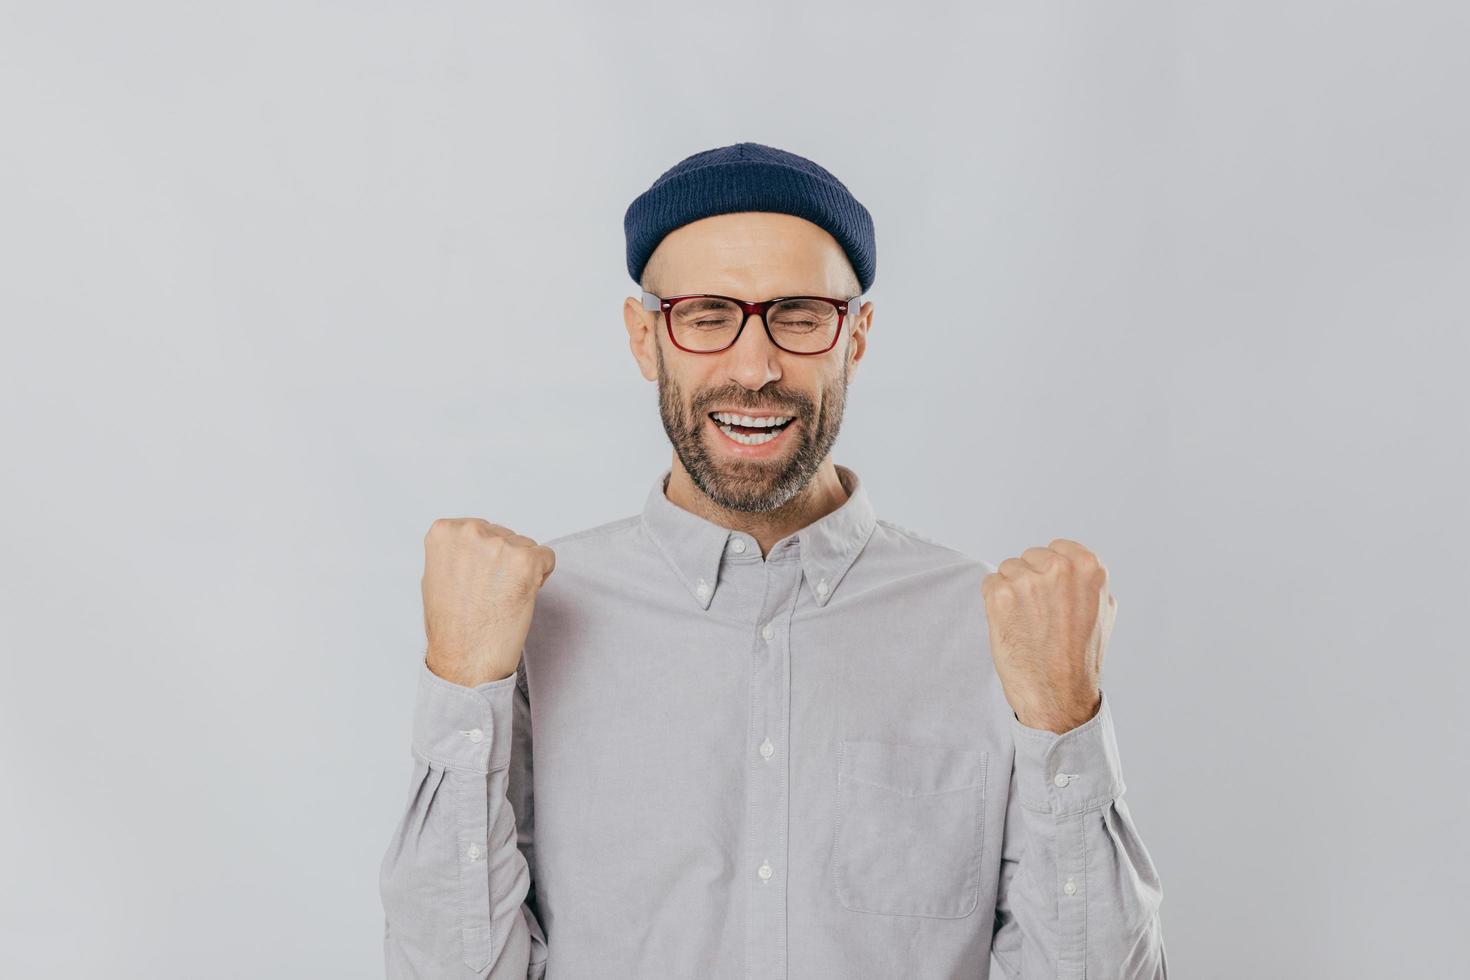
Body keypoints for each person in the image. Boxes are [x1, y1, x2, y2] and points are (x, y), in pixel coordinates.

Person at [378, 141, 1168, 979]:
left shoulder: (993, 632)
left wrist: (1064, 723)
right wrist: (463, 692)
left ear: (855, 338)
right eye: (707, 316)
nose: (754, 369)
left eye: (798, 316)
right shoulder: (525, 624)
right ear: (646, 339)